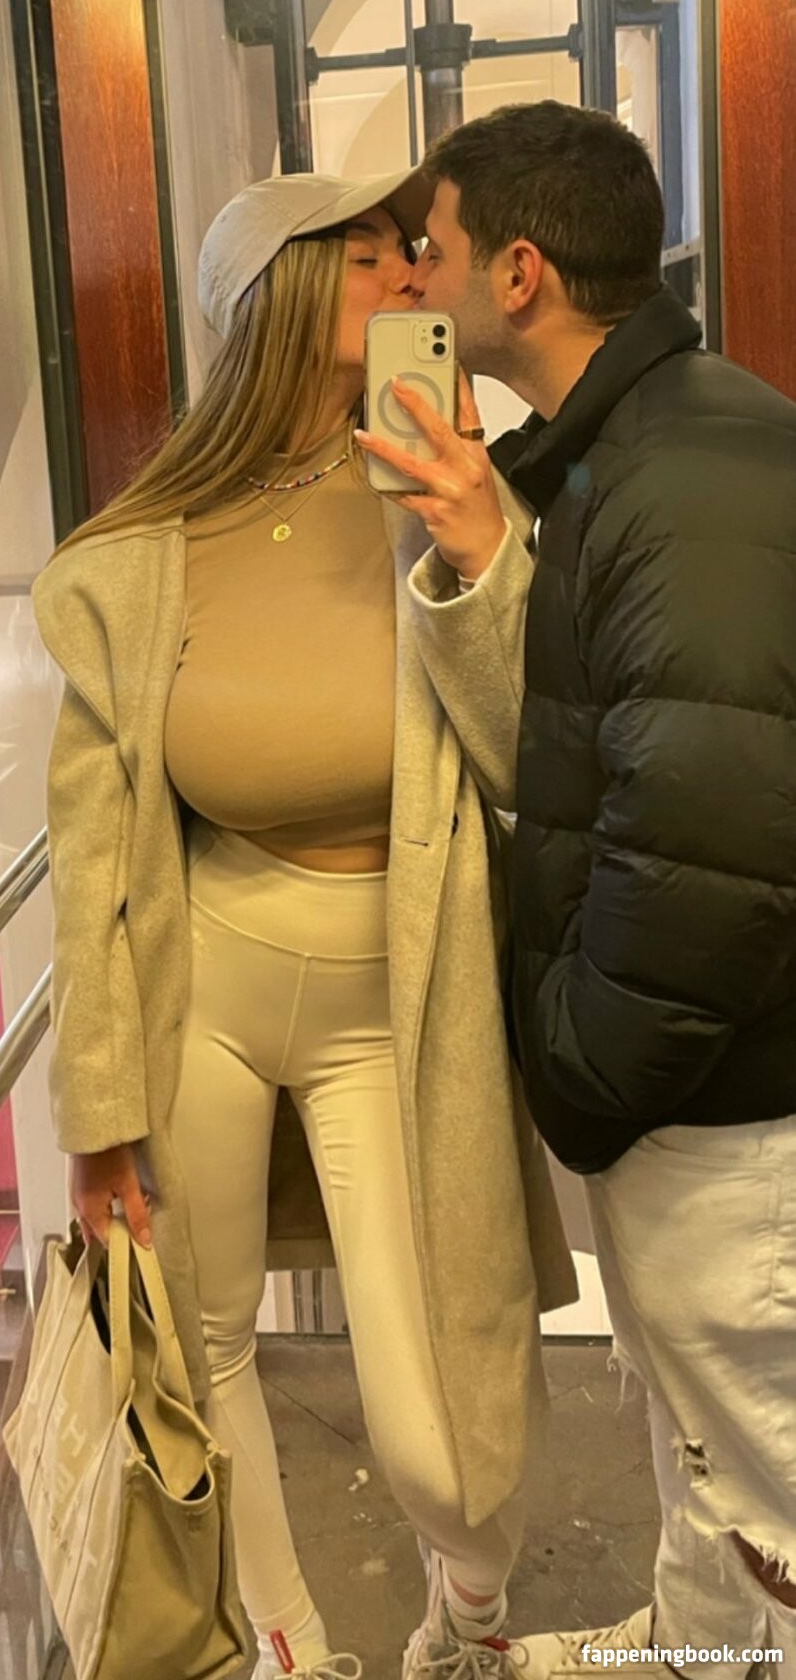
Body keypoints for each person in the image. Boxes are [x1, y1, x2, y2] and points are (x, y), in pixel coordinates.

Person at [33, 167, 576, 1680]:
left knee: (435, 1423)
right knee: (205, 1350)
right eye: (368, 255)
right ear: (273, 295)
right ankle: (290, 1650)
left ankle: (467, 1614)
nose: (411, 275)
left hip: (396, 994)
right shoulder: (140, 556)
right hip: (203, 981)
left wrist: (476, 548)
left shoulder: (451, 487)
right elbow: (93, 853)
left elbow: (531, 753)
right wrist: (96, 1119)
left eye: (412, 250)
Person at [363, 100, 796, 1679]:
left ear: (519, 273)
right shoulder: (640, 444)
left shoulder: (684, 479)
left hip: (730, 1109)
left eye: (431, 249)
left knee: (773, 1480)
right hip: (707, 1090)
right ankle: (694, 1650)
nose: (412, 282)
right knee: (709, 1448)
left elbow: (713, 840)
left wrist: (580, 1062)